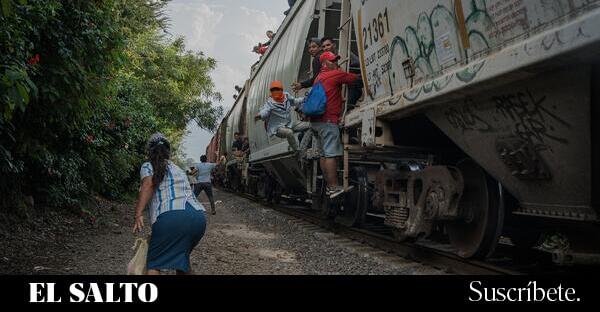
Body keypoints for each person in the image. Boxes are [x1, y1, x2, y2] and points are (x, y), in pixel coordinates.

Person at [133, 133, 206, 275]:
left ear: (149, 151)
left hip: (171, 219)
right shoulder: (177, 168)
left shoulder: (148, 165)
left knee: (154, 265)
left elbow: (148, 184)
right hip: (198, 219)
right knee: (181, 261)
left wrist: (138, 213)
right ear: (168, 152)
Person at [311, 52, 360, 198]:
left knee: (323, 154)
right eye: (333, 61)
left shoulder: (318, 78)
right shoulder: (334, 74)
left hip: (316, 122)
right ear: (325, 63)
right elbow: (355, 78)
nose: (336, 63)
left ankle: (328, 187)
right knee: (331, 154)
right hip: (328, 121)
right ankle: (333, 187)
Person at [254, 81, 307, 154]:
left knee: (310, 125)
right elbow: (265, 111)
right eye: (273, 90)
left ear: (281, 90)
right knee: (289, 133)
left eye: (277, 89)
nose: (275, 91)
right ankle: (297, 151)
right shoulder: (270, 102)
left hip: (290, 124)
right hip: (278, 128)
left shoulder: (286, 96)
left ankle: (304, 146)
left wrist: (304, 99)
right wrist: (259, 115)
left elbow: (295, 101)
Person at [320, 37, 364, 109]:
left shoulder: (344, 53)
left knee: (347, 106)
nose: (326, 48)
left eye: (328, 45)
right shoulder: (325, 60)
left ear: (334, 45)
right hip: (340, 85)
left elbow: (358, 65)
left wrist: (346, 72)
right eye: (323, 47)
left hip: (351, 83)